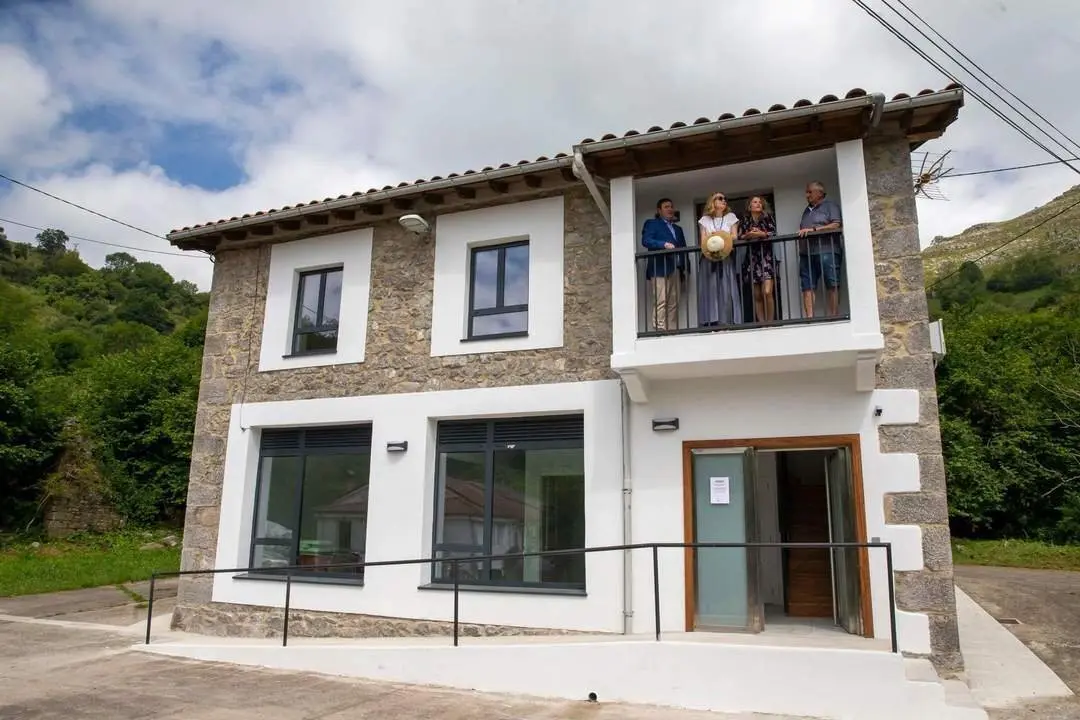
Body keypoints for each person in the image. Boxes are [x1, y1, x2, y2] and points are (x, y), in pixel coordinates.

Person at [797, 181, 843, 318]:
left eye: (810, 192)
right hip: (807, 253)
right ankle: (809, 318)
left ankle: (834, 316)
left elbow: (836, 224)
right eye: (807, 192)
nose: (807, 195)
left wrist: (814, 230)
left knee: (832, 283)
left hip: (827, 250)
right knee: (807, 286)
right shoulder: (807, 210)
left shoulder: (830, 206)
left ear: (820, 193)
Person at [640, 198, 686, 331]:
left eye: (671, 206)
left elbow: (683, 247)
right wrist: (663, 244)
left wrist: (684, 268)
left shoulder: (678, 229)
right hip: (659, 267)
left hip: (676, 268)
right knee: (661, 300)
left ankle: (670, 329)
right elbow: (646, 240)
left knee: (674, 301)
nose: (670, 209)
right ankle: (659, 329)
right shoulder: (652, 223)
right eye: (666, 207)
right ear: (659, 210)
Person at [697, 192, 742, 326]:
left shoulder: (730, 217)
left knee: (726, 289)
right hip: (709, 258)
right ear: (712, 202)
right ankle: (712, 322)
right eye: (720, 198)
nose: (724, 201)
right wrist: (714, 238)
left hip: (725, 256)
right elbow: (703, 240)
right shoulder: (704, 220)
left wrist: (720, 236)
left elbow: (734, 236)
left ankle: (727, 321)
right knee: (711, 290)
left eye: (725, 199)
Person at [740, 196, 778, 323]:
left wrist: (760, 233)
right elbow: (741, 235)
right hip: (752, 258)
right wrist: (749, 235)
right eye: (755, 202)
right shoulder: (746, 220)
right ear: (749, 206)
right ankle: (762, 323)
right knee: (757, 294)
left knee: (767, 291)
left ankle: (770, 322)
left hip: (765, 256)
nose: (758, 204)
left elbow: (773, 233)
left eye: (760, 202)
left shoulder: (767, 217)